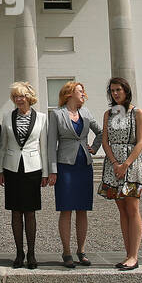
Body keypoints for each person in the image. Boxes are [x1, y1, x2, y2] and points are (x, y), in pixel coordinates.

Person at [0, 82, 52, 269]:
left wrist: (46, 172)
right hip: (12, 169)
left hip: (33, 168)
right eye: (15, 96)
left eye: (21, 96)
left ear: (29, 97)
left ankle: (32, 253)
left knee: (30, 212)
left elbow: (43, 146)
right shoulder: (6, 117)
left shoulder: (42, 118)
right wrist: (0, 170)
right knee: (15, 211)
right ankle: (19, 253)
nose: (18, 99)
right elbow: (2, 146)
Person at [46, 81, 99, 267]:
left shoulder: (86, 113)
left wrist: (95, 147)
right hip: (64, 166)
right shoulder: (56, 114)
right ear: (69, 94)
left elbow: (101, 132)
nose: (83, 94)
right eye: (80, 91)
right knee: (66, 209)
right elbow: (51, 144)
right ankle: (67, 252)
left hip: (84, 165)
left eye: (83, 91)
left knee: (83, 209)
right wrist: (52, 170)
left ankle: (81, 251)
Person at [100, 76, 142, 270]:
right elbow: (105, 141)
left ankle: (134, 256)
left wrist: (126, 164)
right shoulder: (108, 114)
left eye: (118, 89)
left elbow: (141, 141)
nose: (115, 93)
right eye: (112, 90)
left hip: (131, 164)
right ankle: (127, 253)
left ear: (126, 91)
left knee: (133, 208)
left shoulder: (137, 112)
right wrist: (114, 163)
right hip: (113, 164)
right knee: (122, 210)